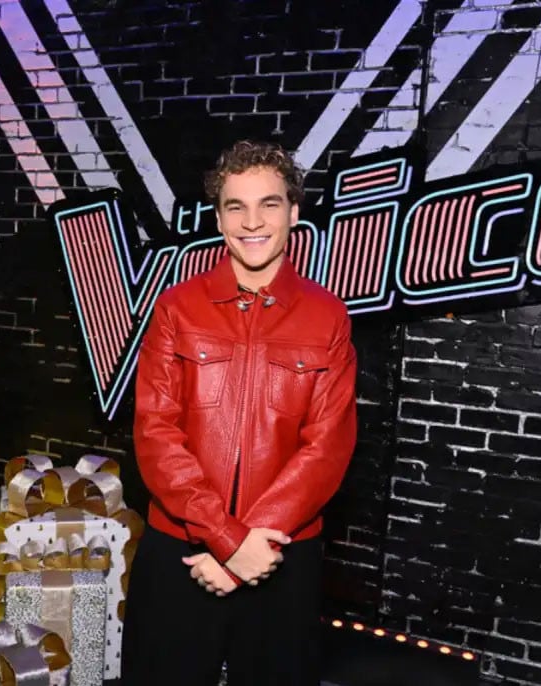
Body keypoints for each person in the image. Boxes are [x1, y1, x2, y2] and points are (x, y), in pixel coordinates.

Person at [121, 140, 358, 686]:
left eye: (269, 204)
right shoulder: (176, 308)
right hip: (182, 552)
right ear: (219, 218)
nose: (253, 222)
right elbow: (156, 434)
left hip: (281, 555)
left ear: (293, 213)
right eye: (236, 207)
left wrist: (254, 543)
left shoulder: (328, 317)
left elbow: (328, 446)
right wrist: (227, 541)